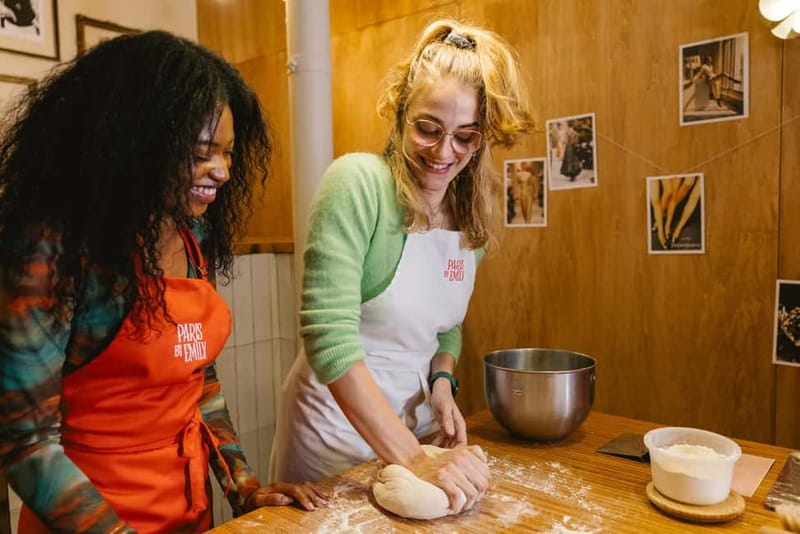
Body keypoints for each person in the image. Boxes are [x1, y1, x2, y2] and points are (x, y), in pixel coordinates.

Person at [0, 31, 327, 533]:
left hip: (188, 510)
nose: (220, 171)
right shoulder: (52, 252)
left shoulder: (190, 235)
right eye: (201, 152)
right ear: (132, 145)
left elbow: (200, 383)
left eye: (229, 153)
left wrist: (243, 488)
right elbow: (27, 444)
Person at [270, 19, 533, 514]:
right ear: (399, 112)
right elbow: (328, 337)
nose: (443, 152)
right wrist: (412, 458)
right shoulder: (357, 184)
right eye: (428, 129)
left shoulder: (466, 219)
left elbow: (445, 329)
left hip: (413, 432)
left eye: (464, 137)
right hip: (332, 433)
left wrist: (441, 384)